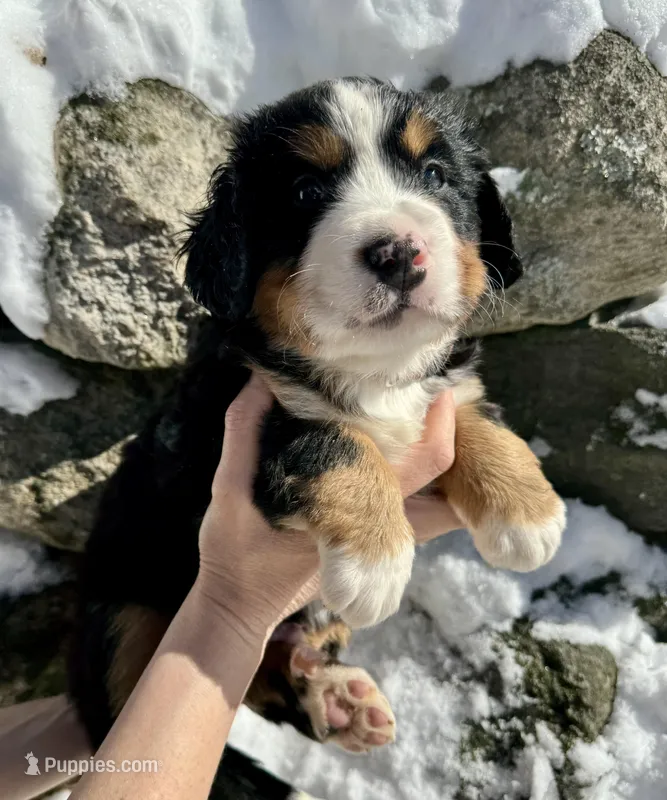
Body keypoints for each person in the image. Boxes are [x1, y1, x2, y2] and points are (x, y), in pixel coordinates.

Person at [2, 374, 461, 800]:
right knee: (115, 676)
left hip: (157, 545)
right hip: (153, 573)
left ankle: (278, 673)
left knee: (110, 703)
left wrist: (121, 718)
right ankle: (280, 672)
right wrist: (233, 612)